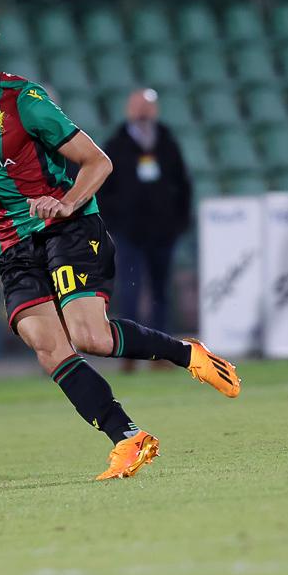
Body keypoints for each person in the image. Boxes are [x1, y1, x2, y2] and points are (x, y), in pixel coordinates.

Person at [0, 0, 240, 481]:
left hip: (66, 228)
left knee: (90, 336)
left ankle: (186, 353)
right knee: (45, 342)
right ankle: (128, 437)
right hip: (13, 245)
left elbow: (100, 162)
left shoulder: (24, 102)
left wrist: (67, 202)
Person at [99, 88, 192, 372]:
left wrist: (179, 222)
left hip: (162, 232)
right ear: (129, 109)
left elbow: (183, 184)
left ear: (156, 110)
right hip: (129, 233)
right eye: (138, 106)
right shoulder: (115, 144)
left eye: (147, 107)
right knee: (129, 290)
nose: (142, 112)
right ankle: (130, 351)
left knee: (161, 293)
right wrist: (115, 223)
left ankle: (161, 353)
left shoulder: (166, 141)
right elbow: (103, 188)